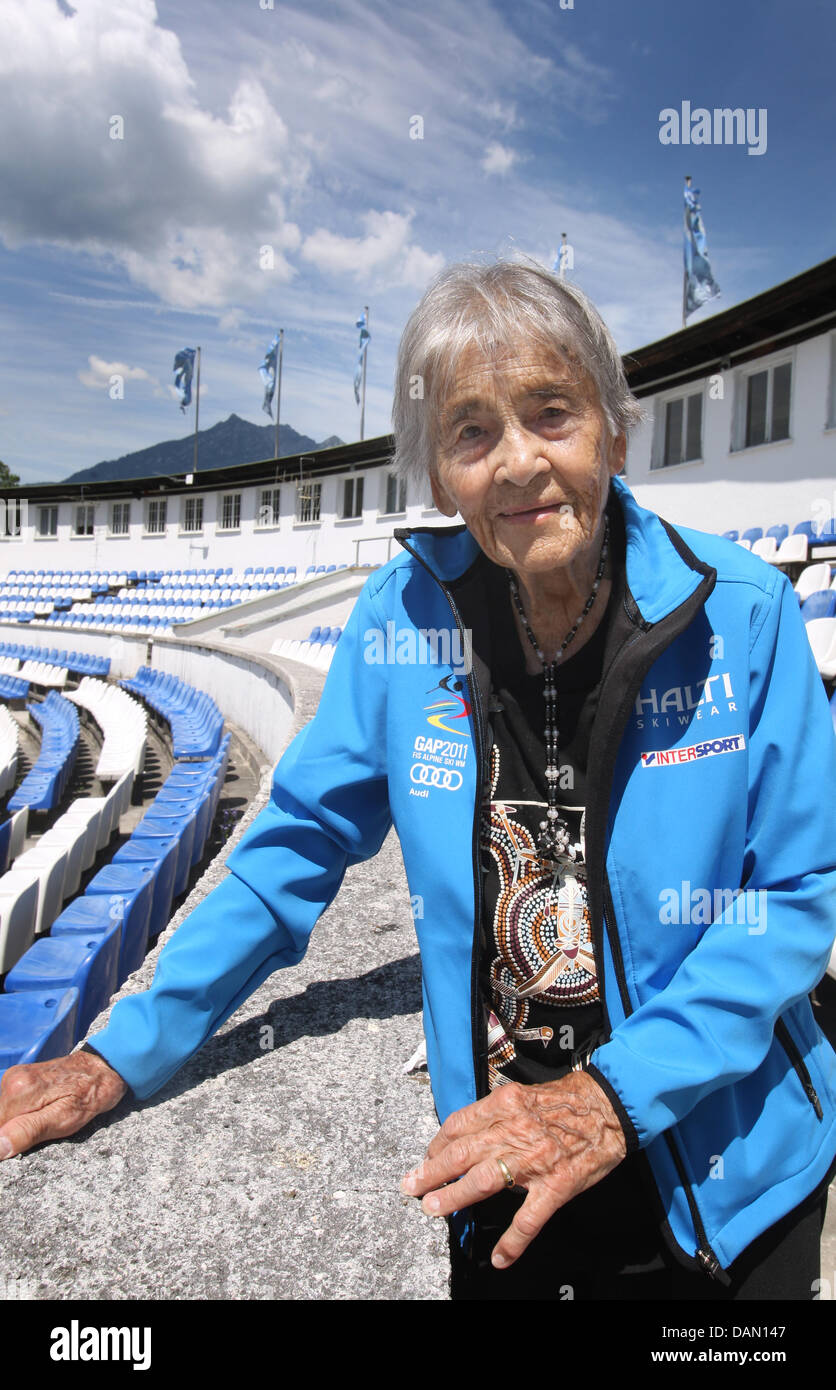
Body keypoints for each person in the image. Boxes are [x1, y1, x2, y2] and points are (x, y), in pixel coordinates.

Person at [1, 260, 835, 1301]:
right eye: (472, 431)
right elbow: (291, 849)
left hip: (727, 1173)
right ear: (441, 475)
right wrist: (117, 1053)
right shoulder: (401, 619)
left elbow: (790, 899)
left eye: (551, 412)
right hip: (494, 1163)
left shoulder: (744, 614)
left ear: (615, 435)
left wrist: (609, 1097)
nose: (519, 462)